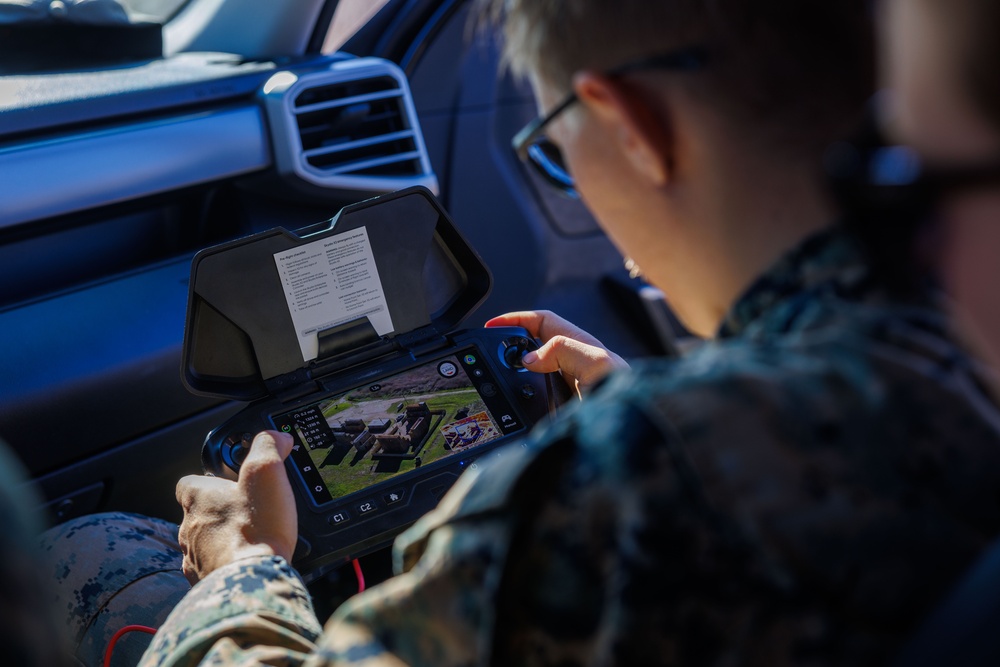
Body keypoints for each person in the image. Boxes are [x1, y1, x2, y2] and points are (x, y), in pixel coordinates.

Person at [39, 0, 1000, 665]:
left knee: (90, 548)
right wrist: (652, 414)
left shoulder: (614, 495)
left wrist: (241, 568)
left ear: (634, 128)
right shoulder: (958, 351)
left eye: (555, 146)